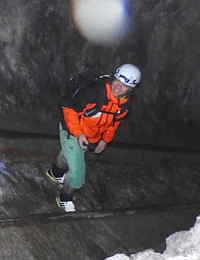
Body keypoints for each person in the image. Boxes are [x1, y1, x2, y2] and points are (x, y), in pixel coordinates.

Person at [46, 63, 140, 213]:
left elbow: (114, 123)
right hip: (72, 129)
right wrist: (78, 133)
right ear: (113, 77)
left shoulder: (125, 105)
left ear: (130, 90)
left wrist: (104, 140)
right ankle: (64, 198)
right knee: (77, 173)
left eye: (124, 86)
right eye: (117, 81)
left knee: (68, 153)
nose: (118, 87)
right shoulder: (95, 91)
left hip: (90, 134)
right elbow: (69, 109)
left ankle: (55, 173)